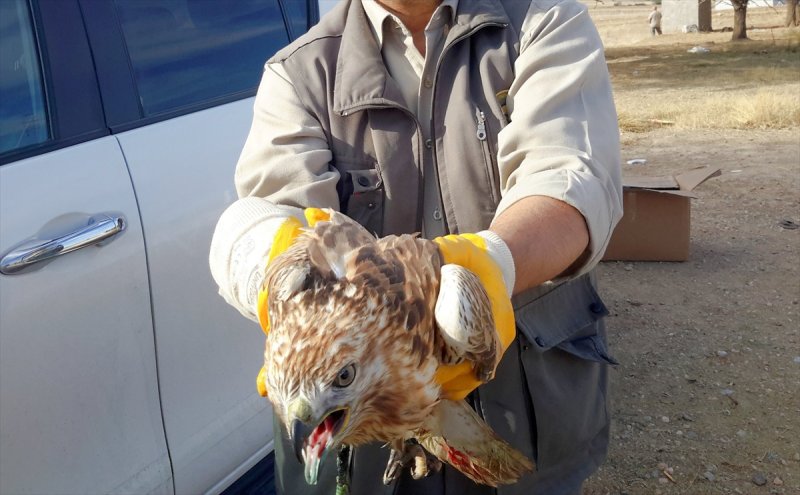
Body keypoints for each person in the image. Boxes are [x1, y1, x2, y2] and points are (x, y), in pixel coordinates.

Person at [209, 0, 623, 494]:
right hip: (364, 449)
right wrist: (264, 263)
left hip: (528, 411)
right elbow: (275, 213)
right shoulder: (299, 72)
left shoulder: (541, 20)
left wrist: (491, 267)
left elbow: (571, 178)